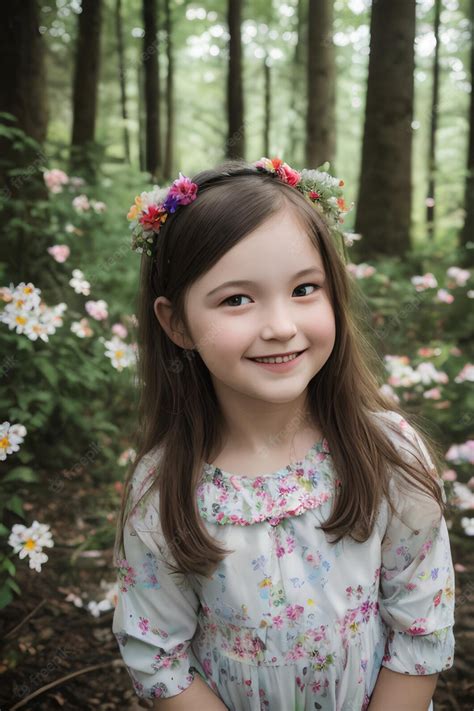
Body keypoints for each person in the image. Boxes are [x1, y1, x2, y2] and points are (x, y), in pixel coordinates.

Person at [112, 157, 455, 711]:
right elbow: (158, 655)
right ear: (176, 323)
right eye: (237, 299)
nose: (280, 326)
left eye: (304, 289)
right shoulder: (164, 487)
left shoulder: (386, 454)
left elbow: (422, 620)